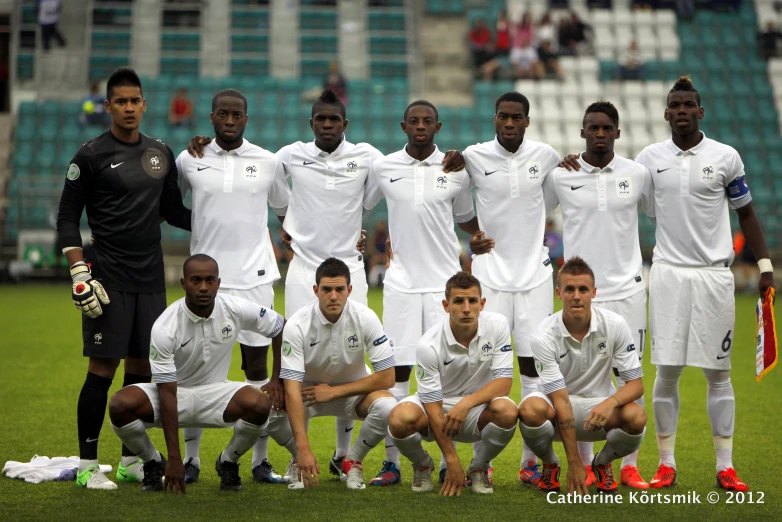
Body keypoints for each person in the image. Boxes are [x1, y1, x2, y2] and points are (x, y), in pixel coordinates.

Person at [186, 89, 463, 483]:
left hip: (349, 270)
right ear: (311, 123)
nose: (328, 125)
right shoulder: (286, 156)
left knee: (349, 363)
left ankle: (343, 455)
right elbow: (279, 201)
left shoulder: (369, 157)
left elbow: (407, 169)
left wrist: (456, 156)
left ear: (344, 125)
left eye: (335, 120)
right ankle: (268, 458)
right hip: (303, 271)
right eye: (321, 119)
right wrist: (289, 228)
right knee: (293, 366)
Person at [562, 76, 776, 491]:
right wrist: (578, 161)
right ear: (664, 113)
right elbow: (616, 188)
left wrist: (764, 263)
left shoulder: (726, 157)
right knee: (667, 373)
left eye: (688, 104)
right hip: (667, 275)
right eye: (674, 105)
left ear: (700, 111)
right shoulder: (647, 160)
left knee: (718, 373)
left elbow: (746, 213)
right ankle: (665, 463)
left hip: (714, 275)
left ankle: (725, 467)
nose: (681, 110)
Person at [56, 67, 192, 490]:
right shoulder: (90, 155)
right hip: (108, 276)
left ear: (144, 104)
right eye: (121, 101)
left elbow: (175, 213)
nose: (129, 108)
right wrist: (80, 269)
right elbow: (66, 217)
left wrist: (232, 217)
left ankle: (131, 460)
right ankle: (86, 466)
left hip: (151, 277)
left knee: (140, 370)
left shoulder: (160, 153)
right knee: (101, 369)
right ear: (109, 105)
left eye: (136, 101)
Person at [175, 89, 291, 485]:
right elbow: (171, 207)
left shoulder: (268, 161)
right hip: (206, 281)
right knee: (194, 367)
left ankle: (256, 460)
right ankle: (190, 460)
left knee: (256, 368)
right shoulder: (190, 158)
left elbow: (284, 210)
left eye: (236, 115)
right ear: (210, 118)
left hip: (255, 276)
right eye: (222, 114)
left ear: (246, 118)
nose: (229, 120)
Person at [363, 100, 480, 486]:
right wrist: (358, 237)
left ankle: (452, 462)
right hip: (400, 285)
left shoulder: (455, 170)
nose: (420, 126)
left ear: (438, 126)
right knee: (395, 377)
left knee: (446, 380)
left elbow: (466, 220)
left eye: (427, 121)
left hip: (444, 287)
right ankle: (394, 463)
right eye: (413, 121)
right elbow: (359, 205)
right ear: (403, 126)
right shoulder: (384, 167)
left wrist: (481, 240)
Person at [544, 101, 654, 489]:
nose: (601, 134)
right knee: (577, 379)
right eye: (593, 127)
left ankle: (626, 466)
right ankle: (584, 464)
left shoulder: (637, 173)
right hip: (580, 291)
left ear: (618, 133)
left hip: (627, 290)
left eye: (607, 128)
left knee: (629, 378)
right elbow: (529, 216)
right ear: (582, 132)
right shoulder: (561, 175)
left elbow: (662, 215)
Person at [108, 255, 285, 493]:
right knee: (120, 405)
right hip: (175, 393)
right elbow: (167, 392)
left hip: (217, 393)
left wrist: (276, 379)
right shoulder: (164, 326)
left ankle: (228, 462)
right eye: (196, 280)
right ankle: (153, 462)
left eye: (210, 280)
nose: (203, 287)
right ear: (183, 283)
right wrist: (174, 458)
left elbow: (279, 326)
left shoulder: (233, 307)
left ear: (218, 283)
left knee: (260, 403)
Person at [462, 91, 561, 485]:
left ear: (527, 121)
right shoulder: (473, 157)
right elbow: (457, 206)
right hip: (489, 275)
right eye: (502, 116)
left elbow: (550, 199)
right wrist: (475, 235)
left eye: (516, 117)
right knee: (484, 367)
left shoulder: (546, 156)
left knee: (533, 366)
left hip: (534, 275)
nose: (508, 123)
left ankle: (530, 461)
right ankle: (480, 461)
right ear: (494, 119)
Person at [519, 257, 647, 494]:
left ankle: (603, 463)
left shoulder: (615, 324)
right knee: (529, 410)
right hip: (557, 408)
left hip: (599, 408)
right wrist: (575, 462)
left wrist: (611, 402)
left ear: (594, 292)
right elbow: (560, 399)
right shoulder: (543, 335)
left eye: (583, 289)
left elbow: (636, 385)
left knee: (637, 417)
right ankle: (550, 464)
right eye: (569, 289)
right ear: (559, 293)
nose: (576, 296)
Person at [268, 257, 397, 490]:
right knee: (270, 409)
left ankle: (353, 461)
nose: (334, 296)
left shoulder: (365, 317)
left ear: (349, 290)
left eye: (339, 289)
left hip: (352, 394)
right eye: (327, 289)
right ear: (316, 290)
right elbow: (292, 390)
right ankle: (297, 461)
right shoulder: (297, 325)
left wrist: (334, 392)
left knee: (389, 408)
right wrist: (303, 450)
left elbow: (387, 377)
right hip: (308, 394)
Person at [387, 272, 517, 495]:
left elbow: (504, 383)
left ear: (482, 304)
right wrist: (451, 459)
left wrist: (466, 404)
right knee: (399, 419)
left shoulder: (498, 325)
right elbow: (432, 404)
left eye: (472, 301)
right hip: (436, 408)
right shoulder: (428, 344)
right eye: (458, 301)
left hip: (476, 410)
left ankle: (479, 467)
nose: (466, 308)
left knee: (508, 411)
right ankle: (423, 464)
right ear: (446, 305)